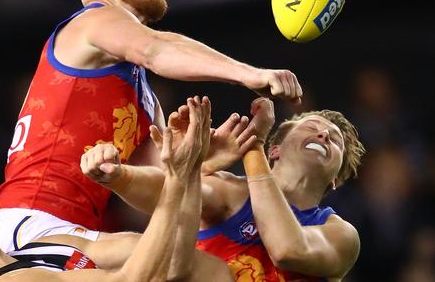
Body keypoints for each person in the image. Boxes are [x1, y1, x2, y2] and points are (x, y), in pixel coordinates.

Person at [0, 0, 302, 252]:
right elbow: (156, 49)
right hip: (33, 222)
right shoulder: (91, 21)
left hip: (65, 232)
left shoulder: (139, 95)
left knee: (188, 261)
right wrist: (248, 74)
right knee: (195, 267)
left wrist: (203, 157)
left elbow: (148, 186)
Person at [0, 97, 233, 282]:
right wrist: (178, 174)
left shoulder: (41, 249)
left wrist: (190, 169)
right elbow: (136, 279)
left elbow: (173, 263)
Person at [82, 98, 366, 281]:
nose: (324, 135)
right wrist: (117, 175)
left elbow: (287, 249)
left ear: (335, 181)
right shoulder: (232, 191)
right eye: (312, 127)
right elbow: (166, 194)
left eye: (335, 141)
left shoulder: (340, 234)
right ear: (276, 149)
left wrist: (252, 141)